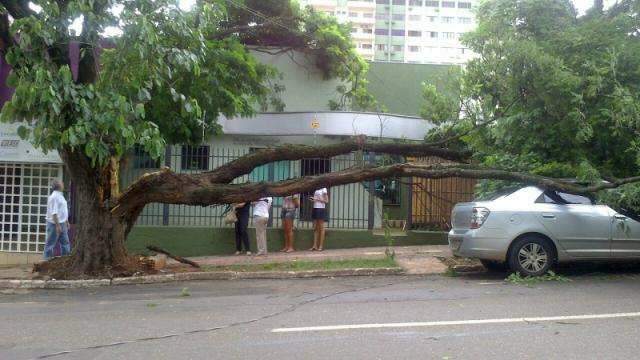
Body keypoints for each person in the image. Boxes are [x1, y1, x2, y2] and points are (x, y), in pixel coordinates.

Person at [44, 180, 71, 260]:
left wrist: (66, 221)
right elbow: (54, 213)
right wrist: (57, 225)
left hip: (62, 223)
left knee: (65, 242)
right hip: (54, 224)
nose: (63, 184)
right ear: (58, 186)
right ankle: (47, 261)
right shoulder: (54, 197)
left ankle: (65, 260)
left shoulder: (60, 195)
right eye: (61, 183)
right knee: (50, 243)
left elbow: (62, 210)